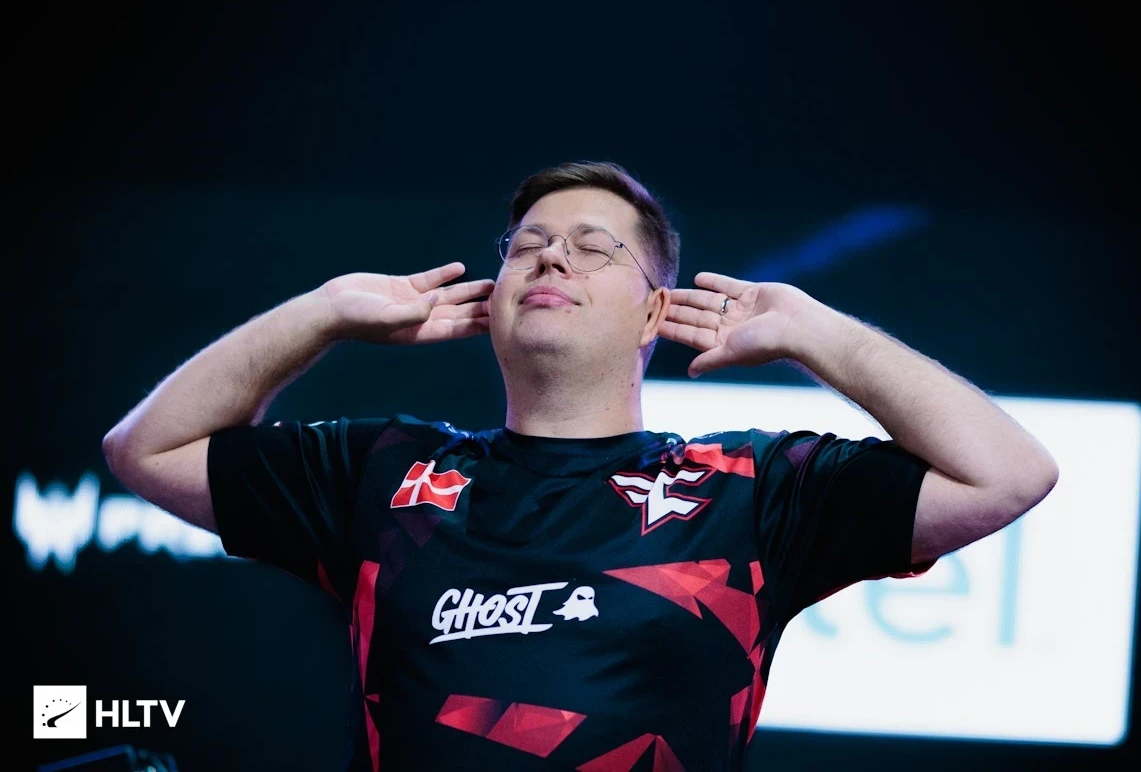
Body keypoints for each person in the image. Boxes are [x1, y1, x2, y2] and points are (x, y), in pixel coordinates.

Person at [102, 161, 1058, 771]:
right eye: (527, 248)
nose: (551, 259)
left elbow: (1007, 474)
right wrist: (318, 314)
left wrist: (821, 336)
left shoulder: (755, 489)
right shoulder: (384, 472)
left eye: (592, 250)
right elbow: (146, 450)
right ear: (493, 299)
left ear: (655, 313)